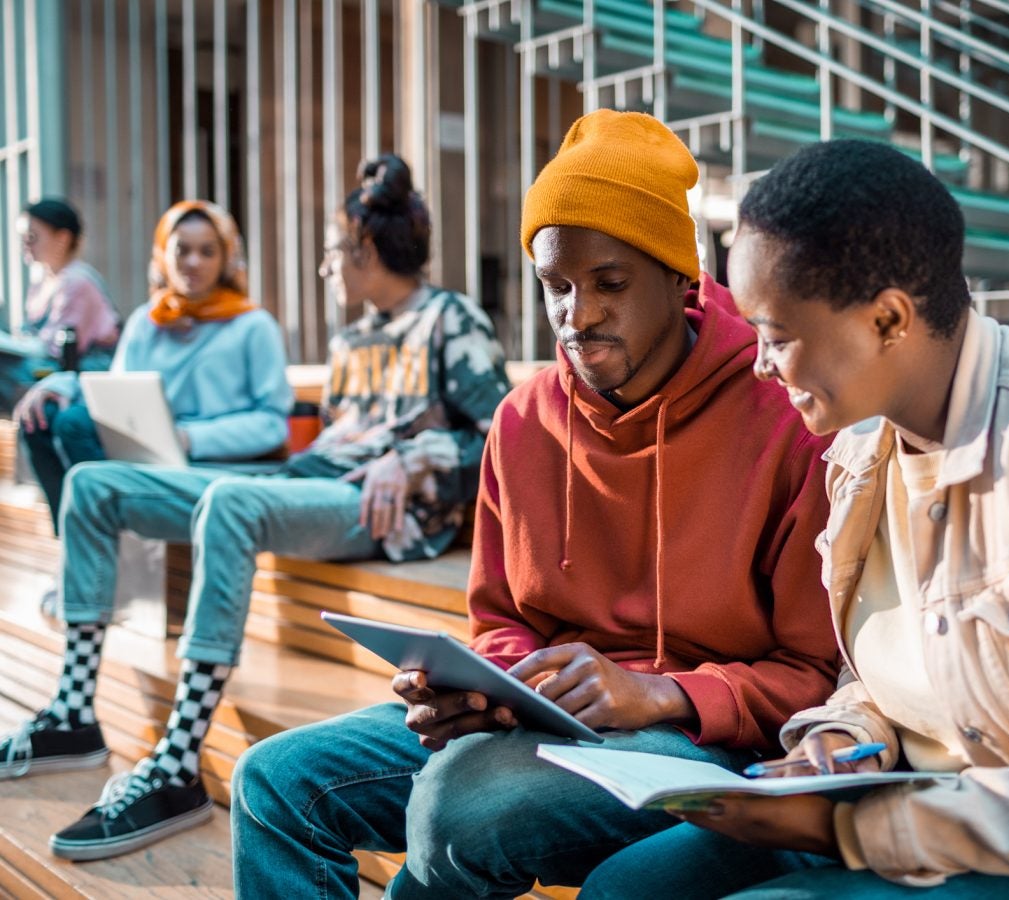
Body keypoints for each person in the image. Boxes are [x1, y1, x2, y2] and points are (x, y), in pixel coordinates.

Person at [229, 110, 840, 899]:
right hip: (543, 727)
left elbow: (812, 674)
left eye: (610, 284)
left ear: (680, 276)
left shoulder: (786, 419)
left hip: (706, 739)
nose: (577, 315)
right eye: (556, 286)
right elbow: (501, 618)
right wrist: (489, 691)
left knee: (461, 809)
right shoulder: (523, 420)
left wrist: (662, 692)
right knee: (272, 783)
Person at [577, 140, 1009, 899]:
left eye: (776, 337)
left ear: (889, 319)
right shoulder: (861, 451)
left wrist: (862, 830)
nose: (761, 366)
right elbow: (895, 667)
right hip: (892, 813)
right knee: (623, 891)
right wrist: (845, 738)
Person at [0, 155, 512, 863]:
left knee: (231, 503)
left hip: (378, 513)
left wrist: (413, 456)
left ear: (365, 251)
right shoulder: (353, 337)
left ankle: (178, 761)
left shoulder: (449, 318)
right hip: (314, 483)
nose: (327, 269)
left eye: (334, 254)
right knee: (94, 482)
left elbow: (500, 437)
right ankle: (74, 712)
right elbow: (336, 436)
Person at [14, 200, 290, 534]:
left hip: (212, 461)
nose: (193, 262)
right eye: (181, 250)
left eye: (207, 251)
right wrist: (63, 384)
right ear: (163, 255)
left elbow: (272, 424)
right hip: (148, 451)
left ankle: (97, 533)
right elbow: (117, 390)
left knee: (80, 448)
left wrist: (189, 438)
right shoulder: (149, 321)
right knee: (45, 420)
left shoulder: (253, 325)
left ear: (225, 259)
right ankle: (77, 537)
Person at [0, 198, 119, 412]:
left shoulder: (77, 280)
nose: (25, 244)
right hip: (54, 365)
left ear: (62, 238)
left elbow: (51, 349)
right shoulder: (43, 279)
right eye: (23, 238)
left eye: (32, 237)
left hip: (82, 372)